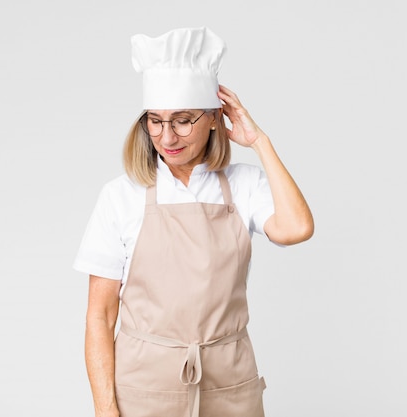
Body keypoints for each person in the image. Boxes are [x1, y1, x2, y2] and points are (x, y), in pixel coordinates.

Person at [73, 27, 314, 417]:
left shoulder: (244, 184)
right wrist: (105, 408)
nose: (167, 136)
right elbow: (99, 317)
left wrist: (260, 142)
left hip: (229, 382)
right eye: (155, 121)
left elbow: (297, 228)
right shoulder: (121, 196)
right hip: (144, 387)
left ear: (216, 118)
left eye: (183, 120)